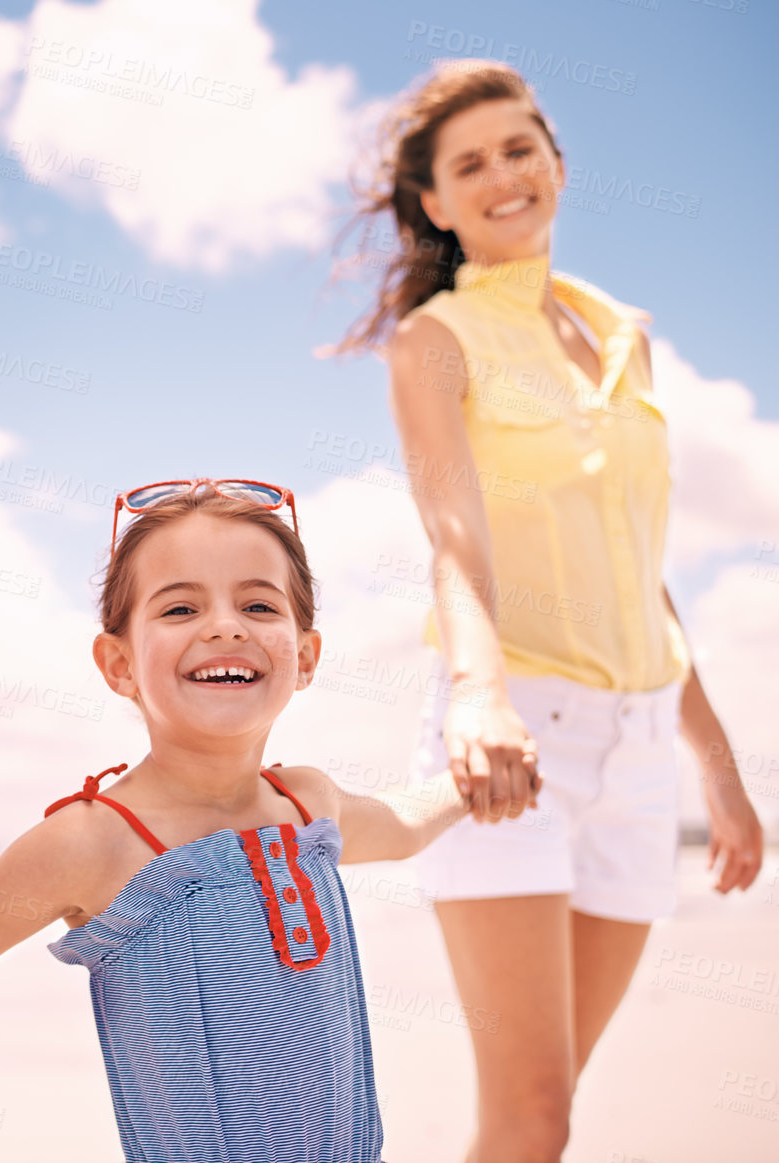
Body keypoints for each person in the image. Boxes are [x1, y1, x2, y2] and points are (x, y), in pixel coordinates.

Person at [0, 480, 475, 1163]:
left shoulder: (309, 804)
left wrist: (470, 779)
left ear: (304, 655)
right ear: (117, 664)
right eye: (179, 607)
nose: (223, 626)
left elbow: (404, 822)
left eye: (258, 604)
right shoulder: (93, 840)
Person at [335, 60, 765, 1162]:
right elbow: (452, 531)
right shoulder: (434, 342)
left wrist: (715, 766)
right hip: (510, 740)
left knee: (545, 1111)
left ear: (557, 166)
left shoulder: (623, 331)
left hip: (636, 751)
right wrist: (479, 694)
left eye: (517, 148)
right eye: (467, 164)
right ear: (434, 203)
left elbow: (638, 567)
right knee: (531, 1113)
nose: (501, 175)